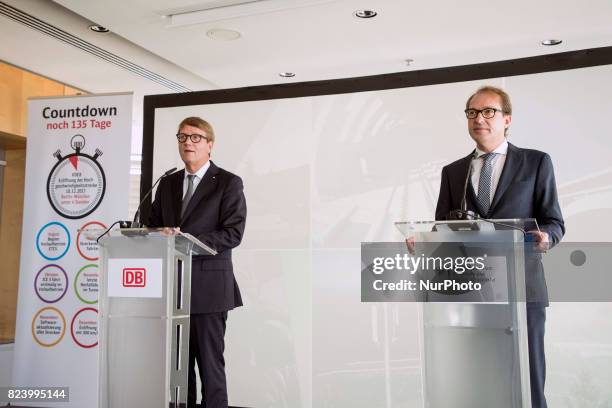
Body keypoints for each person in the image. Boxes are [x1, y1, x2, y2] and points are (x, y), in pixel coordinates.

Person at [434, 86, 564, 408]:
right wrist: (425, 242)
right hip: (473, 292)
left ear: (507, 119)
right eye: (473, 112)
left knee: (528, 380)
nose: (480, 118)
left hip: (523, 289)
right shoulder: (453, 173)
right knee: (481, 380)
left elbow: (554, 222)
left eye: (488, 111)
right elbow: (442, 228)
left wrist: (546, 237)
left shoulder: (535, 162)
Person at [148, 116, 247, 408]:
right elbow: (151, 224)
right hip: (172, 290)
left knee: (210, 367)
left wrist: (189, 239)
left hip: (209, 289)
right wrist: (158, 232)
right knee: (179, 369)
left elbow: (233, 233)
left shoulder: (228, 182)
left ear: (209, 144)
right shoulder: (167, 182)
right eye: (182, 137)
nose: (187, 143)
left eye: (195, 137)